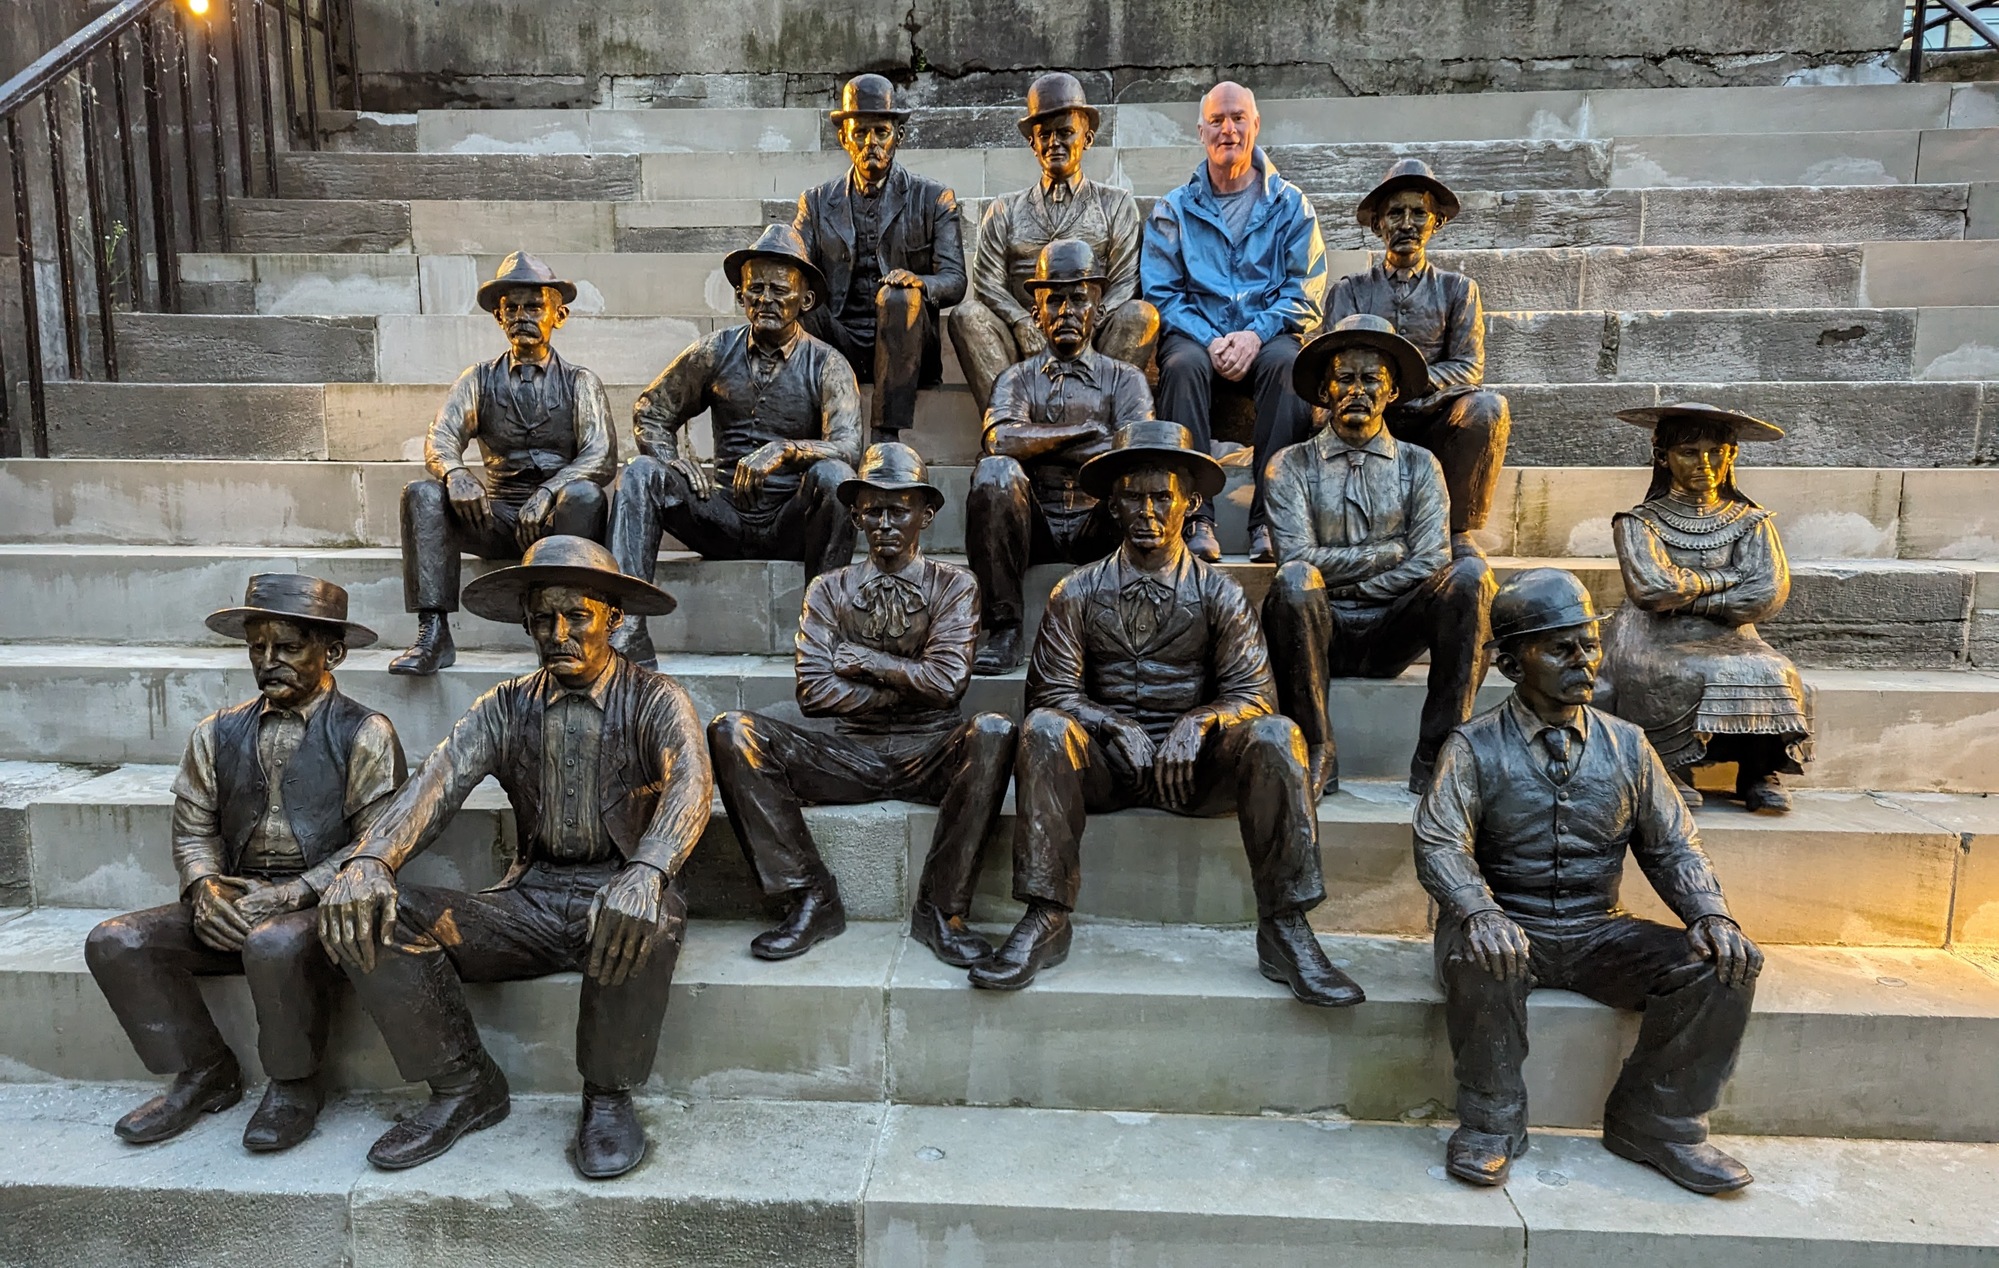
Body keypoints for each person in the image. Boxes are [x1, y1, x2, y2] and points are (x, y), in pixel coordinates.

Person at [317, 536, 706, 1181]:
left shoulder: (658, 700)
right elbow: (434, 786)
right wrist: (371, 861)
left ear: (613, 618)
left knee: (649, 919)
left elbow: (691, 785)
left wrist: (648, 870)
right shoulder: (503, 706)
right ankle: (463, 1084)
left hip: (622, 891)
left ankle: (606, 1095)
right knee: (380, 912)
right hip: (529, 900)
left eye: (577, 615)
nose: (559, 633)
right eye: (542, 619)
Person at [970, 420, 1362, 1009]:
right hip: (1108, 767)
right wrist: (1110, 723)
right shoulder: (1075, 592)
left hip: (1195, 769)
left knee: (1279, 736)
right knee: (1047, 731)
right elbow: (1050, 694)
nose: (1146, 511)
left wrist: (1200, 721)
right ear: (1111, 502)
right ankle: (1046, 915)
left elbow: (1255, 696)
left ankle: (1285, 926)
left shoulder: (1220, 593)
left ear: (1190, 503)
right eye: (1132, 496)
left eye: (1161, 496)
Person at [1415, 568, 1763, 1195]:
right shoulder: (1471, 746)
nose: (1584, 660)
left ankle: (1659, 1121)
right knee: (1481, 954)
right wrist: (1478, 911)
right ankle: (1491, 1122)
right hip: (1503, 926)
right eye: (1561, 647)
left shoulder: (1629, 746)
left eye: (1590, 644)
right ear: (1512, 665)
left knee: (1722, 963)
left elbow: (1675, 846)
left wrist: (1711, 914)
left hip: (1597, 932)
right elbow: (1440, 842)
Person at [86, 575, 403, 1152]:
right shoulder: (215, 732)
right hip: (234, 898)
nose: (268, 660)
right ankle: (205, 1071)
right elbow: (192, 828)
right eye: (257, 647)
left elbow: (376, 845)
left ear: (331, 652)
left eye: (287, 647)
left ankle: (295, 1084)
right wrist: (204, 885)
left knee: (274, 944)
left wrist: (295, 893)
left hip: (316, 904)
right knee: (117, 941)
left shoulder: (367, 732)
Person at [709, 444, 1017, 967]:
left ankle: (941, 910)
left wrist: (866, 662)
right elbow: (813, 691)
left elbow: (947, 682)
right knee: (731, 730)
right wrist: (906, 683)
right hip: (847, 752)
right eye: (873, 510)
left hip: (933, 749)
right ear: (855, 516)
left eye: (899, 510)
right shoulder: (829, 589)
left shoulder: (956, 585)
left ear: (927, 514)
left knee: (994, 730)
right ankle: (810, 896)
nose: (885, 523)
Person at [608, 223, 862, 667]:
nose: (765, 299)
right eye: (755, 288)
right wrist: (670, 458)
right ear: (740, 297)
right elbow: (650, 411)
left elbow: (848, 446)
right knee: (641, 473)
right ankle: (626, 629)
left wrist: (788, 449)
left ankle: (823, 631)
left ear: (804, 301)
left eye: (779, 289)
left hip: (791, 523)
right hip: (721, 515)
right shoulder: (713, 351)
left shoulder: (828, 364)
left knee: (837, 478)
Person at [1260, 314, 1493, 797]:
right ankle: (1318, 746)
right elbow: (1296, 556)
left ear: (1390, 393)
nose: (1357, 391)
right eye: (1344, 378)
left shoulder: (1419, 465)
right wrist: (1389, 553)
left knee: (1471, 575)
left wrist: (1352, 582)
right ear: (1324, 391)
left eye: (1372, 380)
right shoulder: (1289, 466)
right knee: (1296, 583)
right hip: (1319, 628)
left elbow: (1432, 560)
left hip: (1394, 627)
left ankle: (1440, 751)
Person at [392, 251, 616, 675]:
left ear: (558, 315)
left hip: (558, 521)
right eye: (510, 308)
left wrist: (550, 491)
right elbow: (440, 437)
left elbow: (601, 455)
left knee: (585, 495)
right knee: (422, 494)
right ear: (499, 319)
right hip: (496, 514)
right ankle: (433, 631)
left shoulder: (580, 382)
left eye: (533, 306)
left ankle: (562, 632)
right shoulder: (477, 379)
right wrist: (456, 473)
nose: (520, 316)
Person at [1140, 80, 1326, 561]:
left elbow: (1304, 292)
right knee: (1179, 366)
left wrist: (1254, 334)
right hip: (1196, 337)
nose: (1229, 129)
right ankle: (1197, 518)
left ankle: (1269, 521)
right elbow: (1161, 293)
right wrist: (1211, 338)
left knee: (1290, 365)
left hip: (1266, 336)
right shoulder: (1173, 209)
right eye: (1218, 120)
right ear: (1200, 131)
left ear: (1256, 124)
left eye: (1238, 118)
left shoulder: (1291, 205)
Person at [1601, 403, 1813, 812]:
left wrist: (1688, 592)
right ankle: (1666, 765)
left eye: (1716, 452)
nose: (1706, 463)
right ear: (1662, 457)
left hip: (1734, 638)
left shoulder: (1751, 521)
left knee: (1774, 668)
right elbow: (1650, 590)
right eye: (1689, 453)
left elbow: (1765, 593)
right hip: (1651, 636)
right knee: (1671, 671)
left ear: (1731, 455)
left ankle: (1757, 769)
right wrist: (1726, 578)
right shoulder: (1638, 522)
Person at [965, 238, 1155, 675]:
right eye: (1054, 301)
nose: (1066, 311)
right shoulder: (1016, 379)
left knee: (1136, 480)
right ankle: (1005, 627)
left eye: (1077, 299)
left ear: (1099, 311)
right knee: (995, 473)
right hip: (1033, 522)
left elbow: (1132, 452)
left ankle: (1124, 628)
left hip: (1098, 517)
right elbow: (1000, 441)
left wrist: (1042, 441)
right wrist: (1087, 432)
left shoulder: (1125, 380)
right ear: (1037, 313)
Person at [1327, 160, 1510, 563]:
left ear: (1436, 222)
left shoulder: (1457, 289)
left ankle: (1456, 528)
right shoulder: (1351, 291)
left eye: (1418, 213)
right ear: (1378, 225)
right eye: (1395, 213)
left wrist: (1412, 382)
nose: (1407, 223)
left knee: (1486, 408)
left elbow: (1468, 365)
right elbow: (1331, 362)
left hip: (1433, 412)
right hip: (1368, 411)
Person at [949, 72, 1158, 412]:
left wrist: (1082, 326)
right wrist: (1021, 322)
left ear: (1087, 138)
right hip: (1024, 339)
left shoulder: (1116, 204)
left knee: (1141, 314)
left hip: (1094, 336)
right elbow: (986, 283)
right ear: (1032, 143)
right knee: (967, 315)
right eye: (1043, 135)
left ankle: (1102, 422)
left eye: (1065, 132)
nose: (1053, 143)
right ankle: (1006, 423)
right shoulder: (1005, 209)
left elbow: (1125, 281)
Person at [793, 74, 967, 444]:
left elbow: (955, 281)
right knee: (796, 297)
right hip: (840, 337)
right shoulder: (817, 202)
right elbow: (796, 267)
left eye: (881, 132)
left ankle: (885, 436)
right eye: (861, 133)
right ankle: (801, 421)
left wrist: (919, 283)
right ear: (844, 138)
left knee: (898, 295)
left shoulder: (934, 198)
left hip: (908, 341)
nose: (871, 142)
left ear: (898, 136)